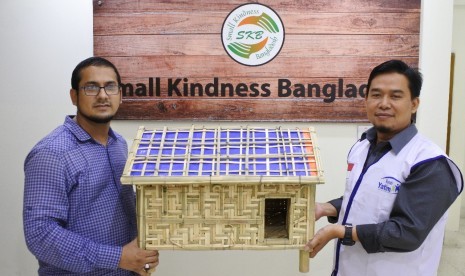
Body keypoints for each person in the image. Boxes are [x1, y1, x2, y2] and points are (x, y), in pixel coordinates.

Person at [305, 60, 463, 276]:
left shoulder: (430, 162)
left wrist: (339, 231)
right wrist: (327, 208)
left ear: (414, 104)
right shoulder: (361, 147)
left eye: (395, 96)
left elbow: (407, 232)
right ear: (366, 99)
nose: (384, 103)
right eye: (376, 95)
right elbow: (369, 198)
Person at [23, 57, 159, 275]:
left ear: (120, 95)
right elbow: (40, 234)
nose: (103, 95)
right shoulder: (52, 153)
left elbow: (122, 210)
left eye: (110, 87)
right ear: (74, 96)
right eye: (91, 87)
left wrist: (139, 256)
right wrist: (118, 258)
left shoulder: (119, 145)